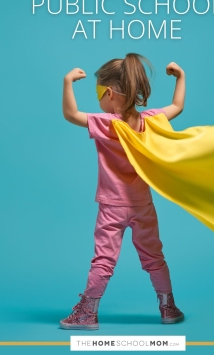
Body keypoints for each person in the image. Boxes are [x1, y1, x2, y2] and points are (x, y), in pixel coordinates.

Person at [60, 53, 186, 330]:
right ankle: (168, 307)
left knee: (104, 259)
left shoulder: (105, 123)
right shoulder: (150, 121)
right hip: (143, 204)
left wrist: (68, 81)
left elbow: (70, 114)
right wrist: (181, 77)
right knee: (154, 257)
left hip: (111, 206)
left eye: (97, 93)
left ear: (108, 92)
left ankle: (87, 313)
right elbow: (177, 106)